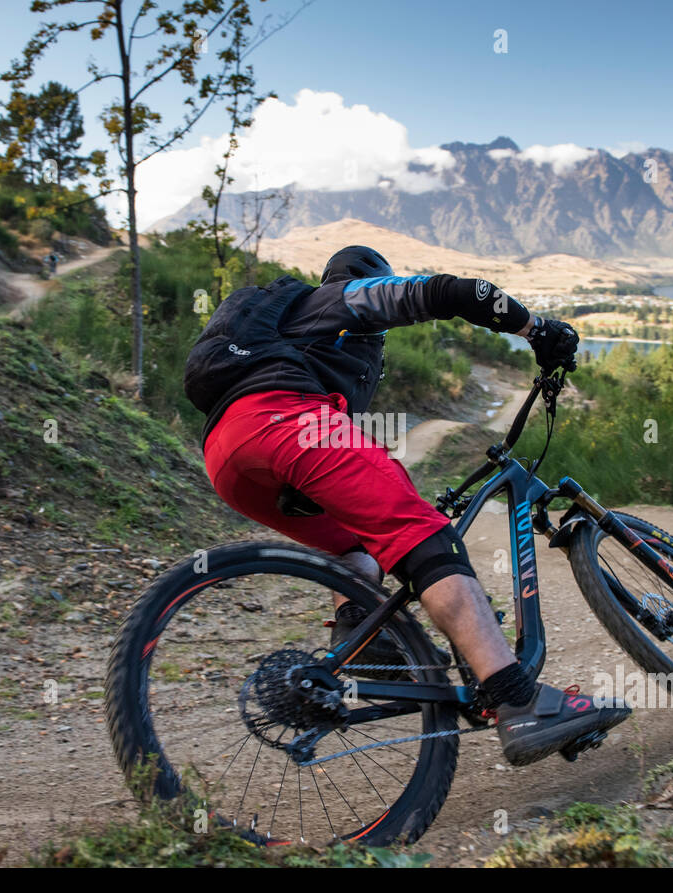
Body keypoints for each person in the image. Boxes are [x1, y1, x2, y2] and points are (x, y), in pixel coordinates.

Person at [194, 245, 630, 766]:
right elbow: (456, 293)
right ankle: (519, 700)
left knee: (361, 547)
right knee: (427, 538)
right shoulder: (341, 299)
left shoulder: (298, 330)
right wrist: (535, 330)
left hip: (226, 454)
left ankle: (367, 646)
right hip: (286, 420)